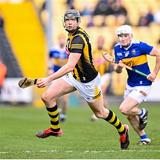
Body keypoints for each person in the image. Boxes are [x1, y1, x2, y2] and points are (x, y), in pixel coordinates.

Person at [35, 9, 129, 150]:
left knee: (100, 112)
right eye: (67, 20)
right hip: (74, 76)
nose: (70, 22)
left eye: (73, 20)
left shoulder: (78, 39)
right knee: (47, 97)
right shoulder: (71, 35)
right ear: (64, 23)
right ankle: (55, 129)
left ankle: (122, 129)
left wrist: (48, 79)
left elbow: (69, 65)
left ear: (78, 22)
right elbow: (72, 67)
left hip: (88, 82)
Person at [113, 25, 160, 144]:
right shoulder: (117, 49)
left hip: (143, 83)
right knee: (129, 114)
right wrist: (119, 68)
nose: (123, 38)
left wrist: (154, 73)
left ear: (131, 36)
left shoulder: (140, 46)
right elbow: (118, 70)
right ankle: (144, 138)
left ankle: (142, 112)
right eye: (120, 36)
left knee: (123, 108)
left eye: (125, 35)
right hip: (130, 84)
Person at [91, 35, 113, 121]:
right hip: (97, 76)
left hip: (106, 74)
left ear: (103, 42)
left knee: (101, 92)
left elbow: (112, 61)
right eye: (99, 41)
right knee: (100, 95)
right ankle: (107, 112)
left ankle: (96, 114)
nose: (100, 42)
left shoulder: (107, 51)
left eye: (101, 41)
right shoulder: (93, 52)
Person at [48, 34, 69, 122]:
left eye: (63, 39)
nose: (62, 41)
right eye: (60, 39)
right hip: (56, 74)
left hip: (65, 74)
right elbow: (49, 59)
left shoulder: (68, 50)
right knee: (55, 95)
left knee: (65, 98)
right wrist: (49, 69)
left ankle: (63, 114)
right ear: (58, 40)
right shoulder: (53, 49)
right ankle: (58, 110)